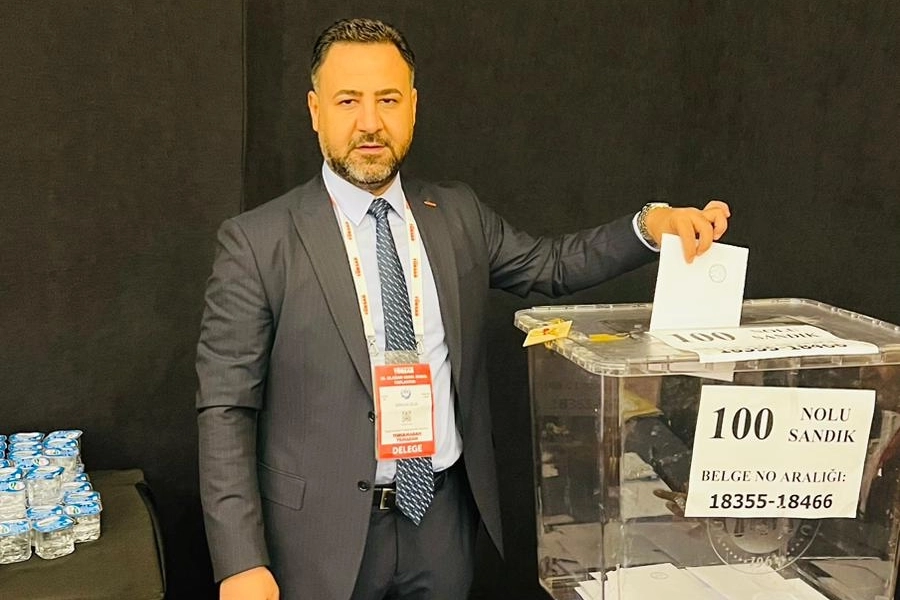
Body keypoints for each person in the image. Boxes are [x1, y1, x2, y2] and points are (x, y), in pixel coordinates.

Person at [196, 17, 730, 600]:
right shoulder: (258, 242)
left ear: (413, 107)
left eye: (388, 99)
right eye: (348, 100)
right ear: (315, 109)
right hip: (315, 537)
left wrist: (650, 226)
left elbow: (551, 265)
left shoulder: (456, 215)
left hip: (440, 524)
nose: (370, 122)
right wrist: (240, 561)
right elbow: (225, 407)